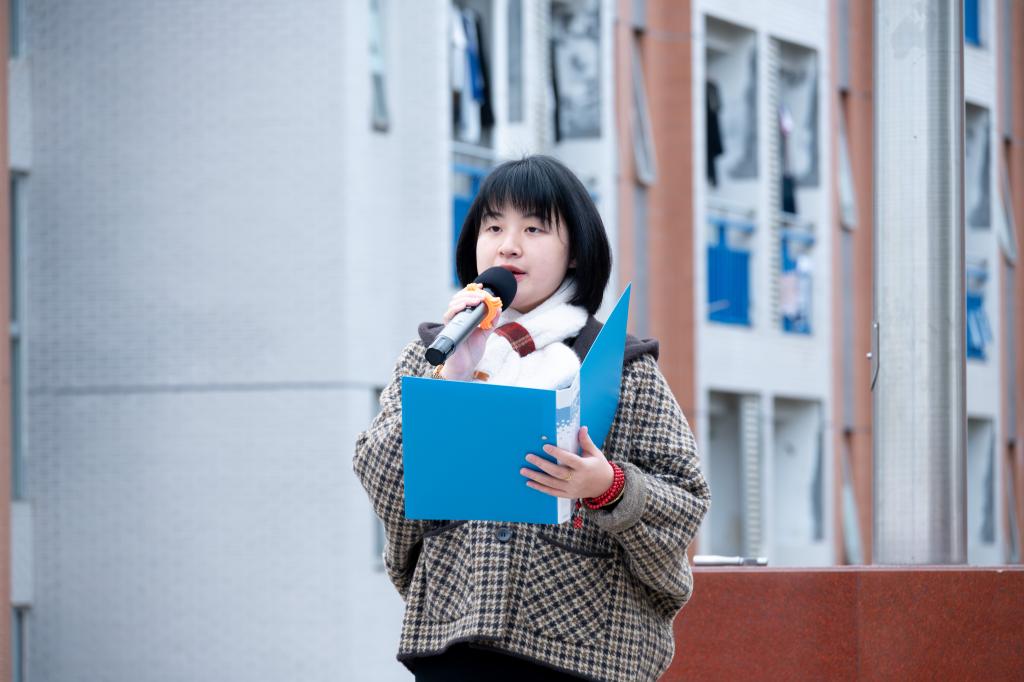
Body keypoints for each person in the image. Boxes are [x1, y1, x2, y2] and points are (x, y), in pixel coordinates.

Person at [353, 155, 710, 682]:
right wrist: (453, 378)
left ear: (575, 251)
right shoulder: (432, 354)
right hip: (456, 643)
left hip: (586, 652)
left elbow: (686, 498)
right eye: (493, 227)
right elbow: (380, 476)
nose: (508, 245)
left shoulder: (618, 364)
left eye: (534, 228)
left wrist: (606, 486)